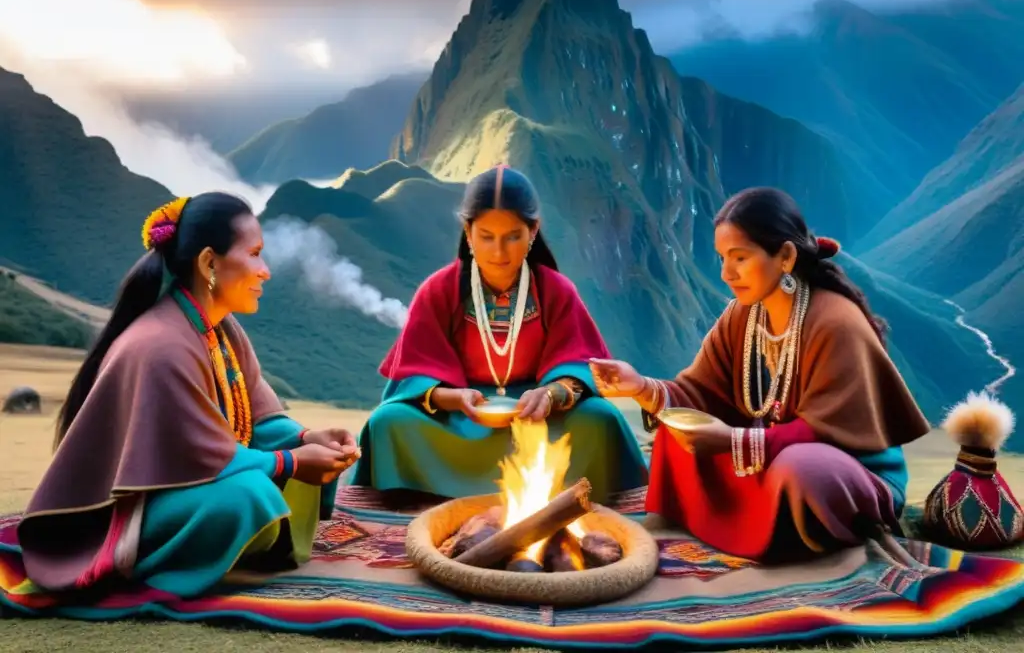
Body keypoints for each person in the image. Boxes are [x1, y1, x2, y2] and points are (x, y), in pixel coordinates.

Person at [17, 193, 360, 598]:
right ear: (209, 263)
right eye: (254, 254)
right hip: (132, 510)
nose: (265, 271)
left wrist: (305, 440)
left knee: (276, 475)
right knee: (249, 496)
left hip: (193, 481)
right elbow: (197, 455)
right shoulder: (161, 345)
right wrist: (290, 461)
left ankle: (244, 542)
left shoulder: (221, 329)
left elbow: (256, 419)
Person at [590, 187, 932, 564]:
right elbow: (699, 392)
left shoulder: (836, 322)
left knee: (800, 469)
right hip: (770, 449)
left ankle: (789, 535)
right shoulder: (744, 314)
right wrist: (638, 386)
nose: (726, 274)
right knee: (678, 433)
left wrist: (734, 441)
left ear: (785, 256)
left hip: (848, 471)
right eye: (722, 258)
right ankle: (743, 525)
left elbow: (824, 432)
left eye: (740, 258)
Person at [351, 165, 648, 503]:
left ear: (533, 231)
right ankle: (438, 490)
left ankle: (552, 492)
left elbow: (579, 362)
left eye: (512, 237)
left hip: (538, 418)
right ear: (468, 231)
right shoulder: (439, 289)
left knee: (602, 418)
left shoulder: (556, 291)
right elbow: (414, 373)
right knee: (388, 421)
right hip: (459, 420)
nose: (498, 252)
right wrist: (456, 398)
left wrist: (552, 395)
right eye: (486, 236)